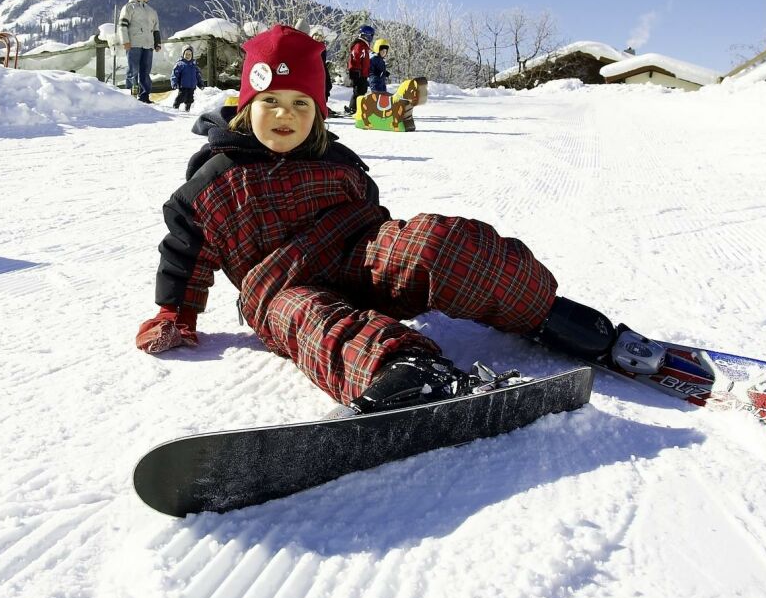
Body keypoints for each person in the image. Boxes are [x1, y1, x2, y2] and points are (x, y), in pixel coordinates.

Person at [134, 24, 620, 413]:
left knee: (434, 241)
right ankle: (405, 372)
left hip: (355, 255)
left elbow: (376, 219)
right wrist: (175, 313)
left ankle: (543, 309)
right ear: (246, 104)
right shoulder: (215, 182)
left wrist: (400, 258)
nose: (285, 115)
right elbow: (185, 250)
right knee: (306, 316)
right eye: (271, 103)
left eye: (301, 103)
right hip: (281, 286)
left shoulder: (337, 161)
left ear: (320, 111)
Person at [119, 0, 161, 104]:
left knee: (145, 72)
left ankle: (144, 96)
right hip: (134, 44)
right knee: (133, 71)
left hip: (148, 45)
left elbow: (156, 28)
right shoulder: (129, 7)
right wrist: (125, 41)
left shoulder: (152, 11)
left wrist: (157, 43)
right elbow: (122, 26)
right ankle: (131, 96)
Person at [344, 25, 374, 114]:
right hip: (358, 72)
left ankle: (357, 108)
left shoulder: (364, 46)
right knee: (358, 90)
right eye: (371, 35)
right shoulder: (359, 45)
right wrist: (354, 70)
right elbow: (355, 58)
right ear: (366, 35)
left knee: (362, 90)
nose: (372, 37)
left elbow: (365, 61)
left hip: (362, 73)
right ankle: (353, 108)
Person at [170, 46, 205, 111]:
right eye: (186, 54)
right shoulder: (180, 64)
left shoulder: (194, 65)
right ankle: (176, 106)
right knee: (181, 97)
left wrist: (200, 84)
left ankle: (187, 109)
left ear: (192, 55)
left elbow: (198, 76)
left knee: (190, 99)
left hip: (192, 86)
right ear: (183, 54)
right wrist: (174, 83)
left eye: (189, 54)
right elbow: (174, 74)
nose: (188, 56)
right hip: (183, 86)